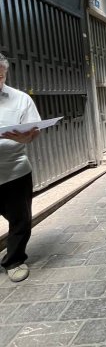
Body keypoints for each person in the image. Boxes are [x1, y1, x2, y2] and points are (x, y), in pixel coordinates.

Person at [0, 53, 41, 283]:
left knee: (20, 219)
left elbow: (34, 131)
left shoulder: (20, 99)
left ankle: (14, 260)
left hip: (15, 169)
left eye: (1, 76)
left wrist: (26, 138)